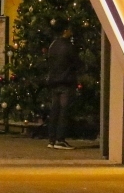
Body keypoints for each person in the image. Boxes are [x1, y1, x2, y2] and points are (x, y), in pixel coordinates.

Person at [45, 20, 80, 150]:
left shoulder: (53, 45)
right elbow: (76, 63)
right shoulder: (68, 46)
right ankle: (60, 139)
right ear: (65, 31)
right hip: (66, 81)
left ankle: (51, 139)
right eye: (69, 30)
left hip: (54, 81)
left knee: (54, 110)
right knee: (63, 111)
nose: (71, 32)